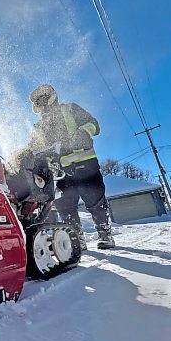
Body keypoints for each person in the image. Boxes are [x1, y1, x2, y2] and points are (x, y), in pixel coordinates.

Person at [27, 84, 115, 249]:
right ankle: (77, 239)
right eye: (39, 102)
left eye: (44, 99)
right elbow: (34, 147)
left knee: (95, 201)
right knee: (65, 206)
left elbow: (93, 123)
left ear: (52, 98)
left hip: (85, 163)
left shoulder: (70, 109)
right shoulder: (38, 127)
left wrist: (83, 133)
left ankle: (105, 234)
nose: (43, 104)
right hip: (60, 172)